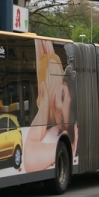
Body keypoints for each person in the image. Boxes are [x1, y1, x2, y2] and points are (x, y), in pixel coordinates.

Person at [24, 39, 79, 173]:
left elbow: (29, 157)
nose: (57, 105)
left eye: (61, 119)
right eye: (62, 96)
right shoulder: (55, 65)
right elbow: (39, 41)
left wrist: (46, 102)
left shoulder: (46, 113)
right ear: (64, 82)